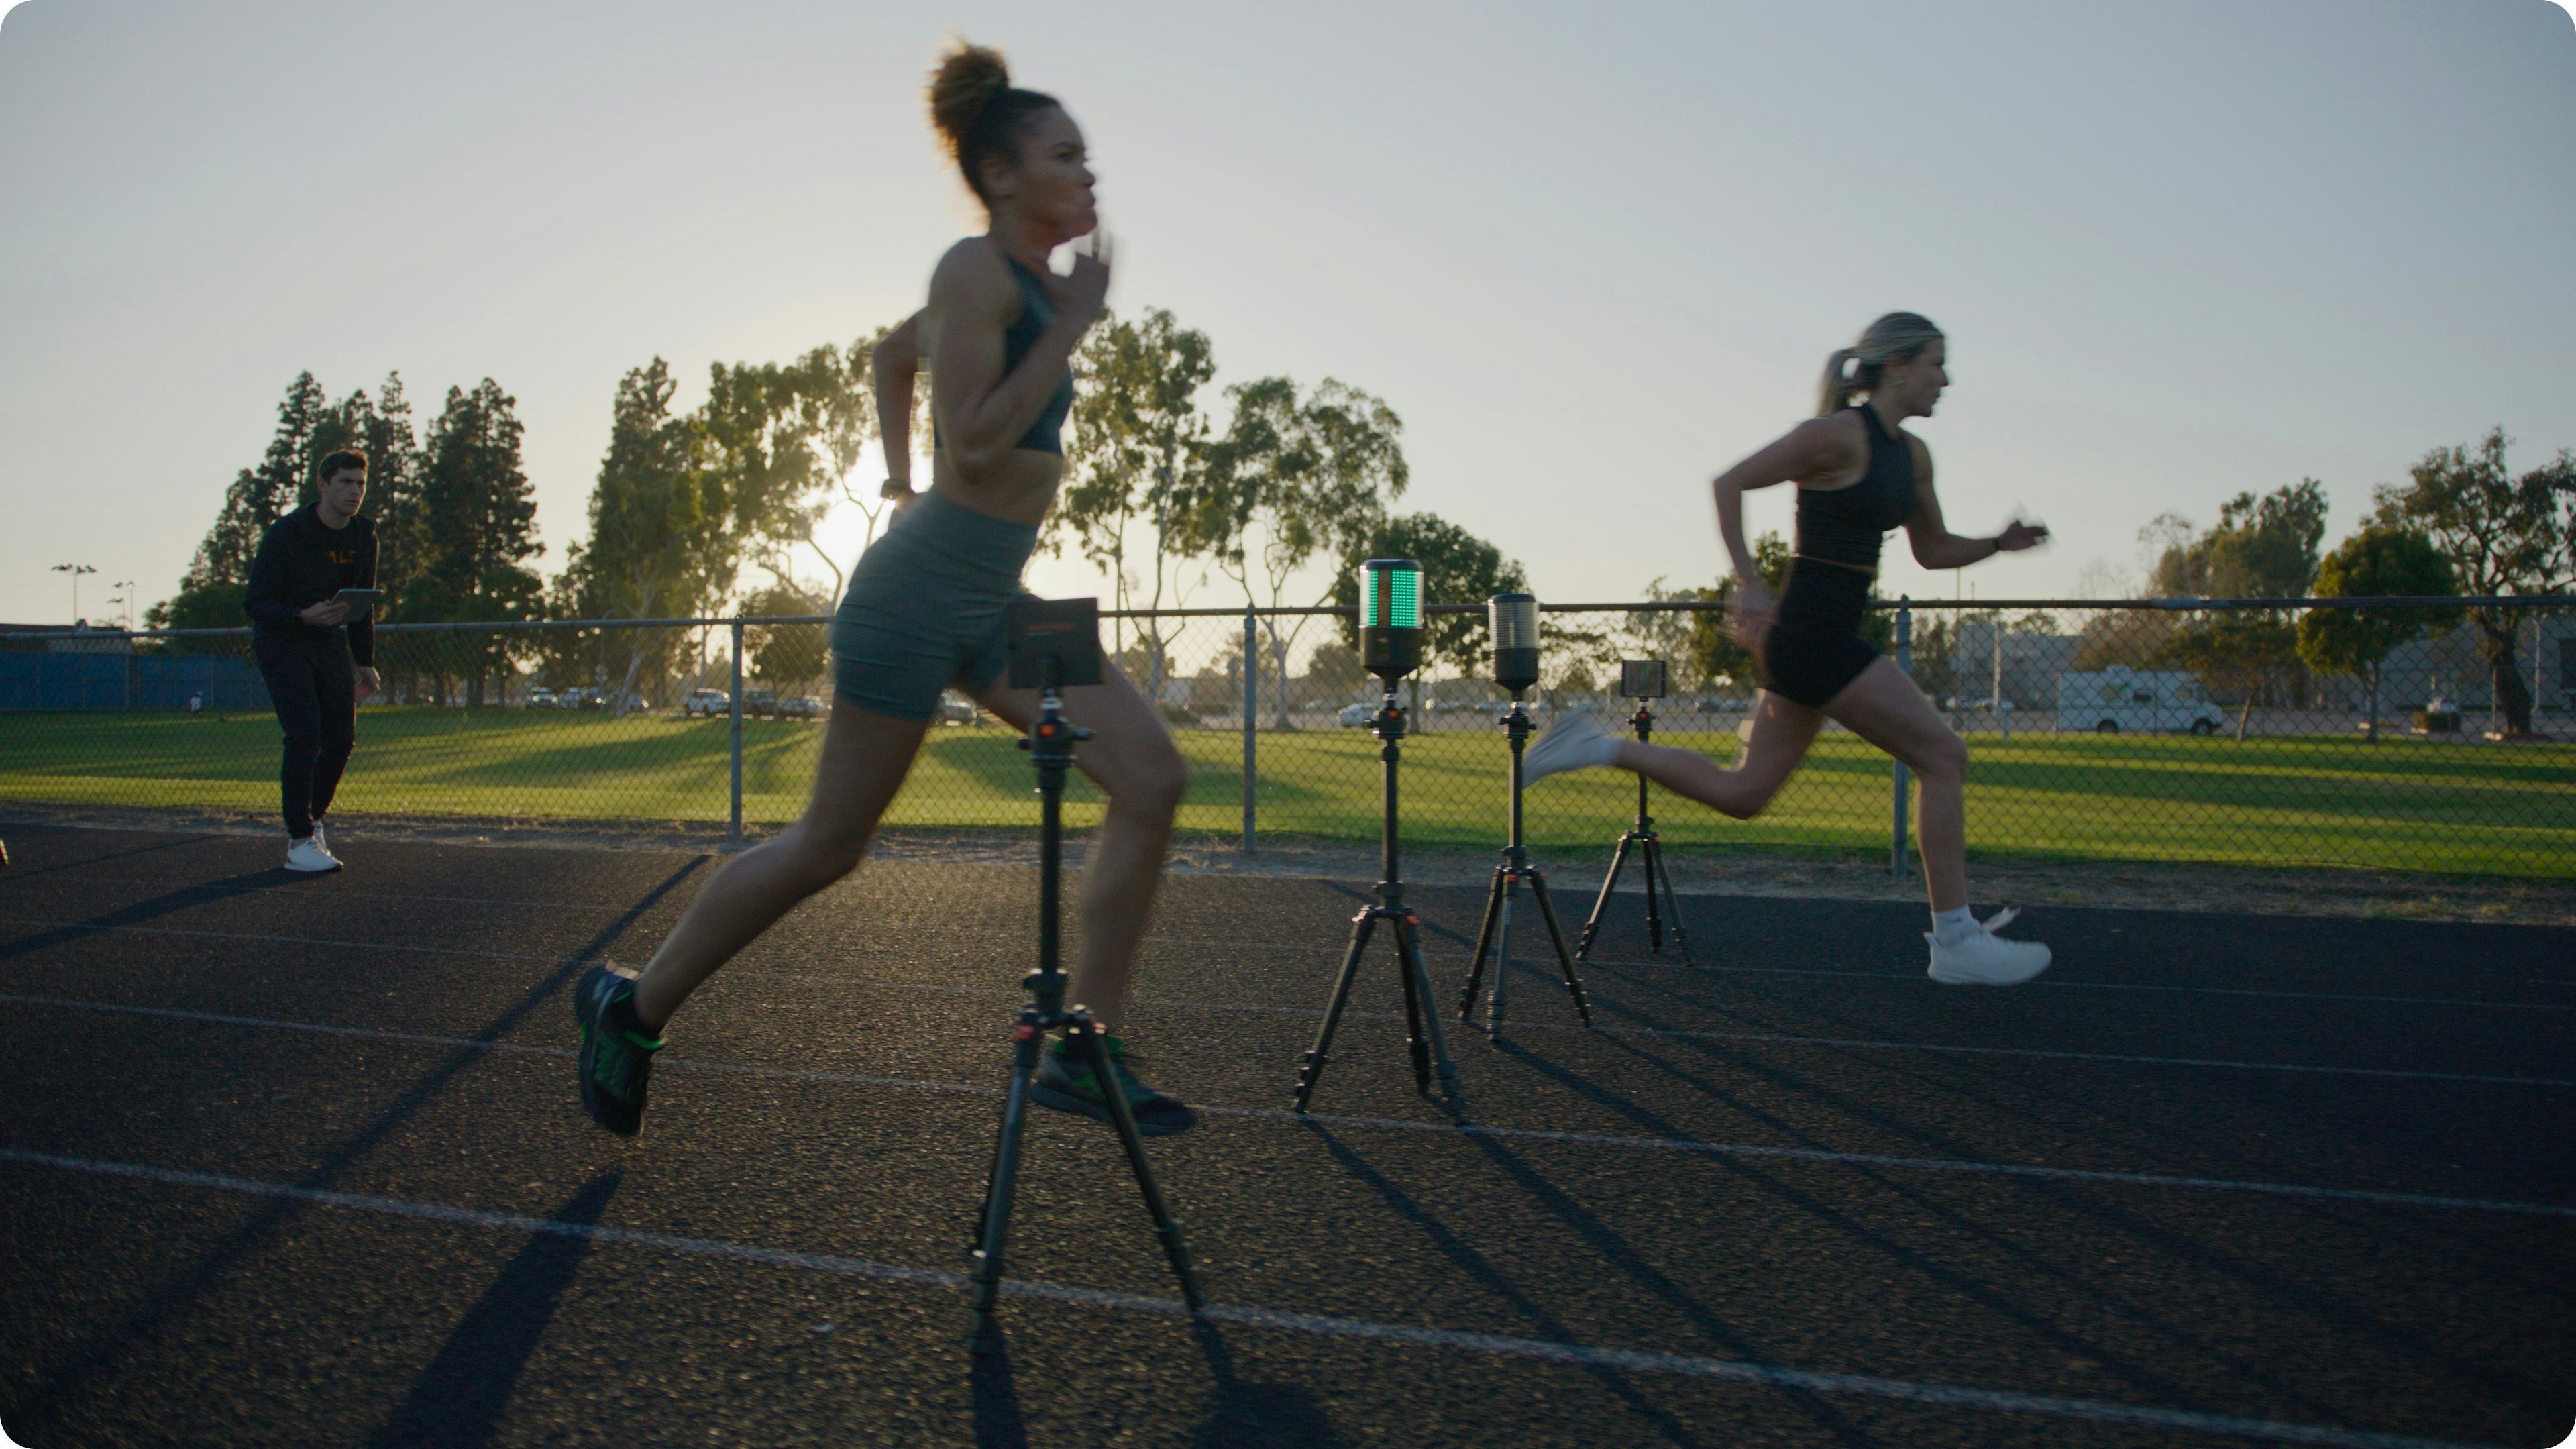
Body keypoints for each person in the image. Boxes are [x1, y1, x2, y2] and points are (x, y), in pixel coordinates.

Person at [575, 41, 1195, 1138]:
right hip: (911, 601)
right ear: (1004, 177)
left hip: (1001, 593)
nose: (1090, 176)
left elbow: (888, 360)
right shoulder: (976, 273)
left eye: (1088, 157)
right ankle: (633, 1005)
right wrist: (1067, 333)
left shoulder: (1030, 293)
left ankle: (1082, 1045)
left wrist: (896, 478)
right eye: (1066, 156)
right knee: (829, 845)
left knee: (1151, 776)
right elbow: (976, 437)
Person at [1523, 313, 2054, 985]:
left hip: (1819, 642)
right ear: (1896, 368)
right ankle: (1954, 938)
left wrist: (1997, 545)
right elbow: (1729, 482)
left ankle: (1595, 745)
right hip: (1810, 635)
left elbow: (1934, 551)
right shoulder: (1833, 437)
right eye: (1935, 364)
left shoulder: (1912, 457)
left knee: (1745, 794)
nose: (1944, 380)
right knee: (1944, 755)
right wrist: (1749, 581)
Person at [242, 447, 380, 873]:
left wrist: (365, 662)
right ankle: (299, 840)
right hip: (282, 640)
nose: (354, 491)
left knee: (341, 739)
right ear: (323, 485)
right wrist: (301, 614)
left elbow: (362, 605)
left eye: (360, 483)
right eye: (345, 482)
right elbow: (255, 603)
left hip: (326, 642)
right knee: (305, 735)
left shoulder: (364, 535)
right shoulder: (287, 533)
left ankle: (314, 821)